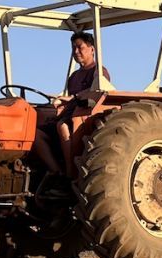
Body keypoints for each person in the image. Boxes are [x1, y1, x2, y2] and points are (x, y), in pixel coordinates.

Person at [32, 32, 111, 180]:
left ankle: (71, 172)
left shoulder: (99, 72)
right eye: (73, 48)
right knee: (35, 133)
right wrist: (58, 101)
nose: (76, 52)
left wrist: (72, 98)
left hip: (85, 116)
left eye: (79, 47)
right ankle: (56, 171)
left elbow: (97, 91)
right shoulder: (73, 77)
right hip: (70, 113)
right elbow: (68, 100)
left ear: (92, 49)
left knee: (62, 125)